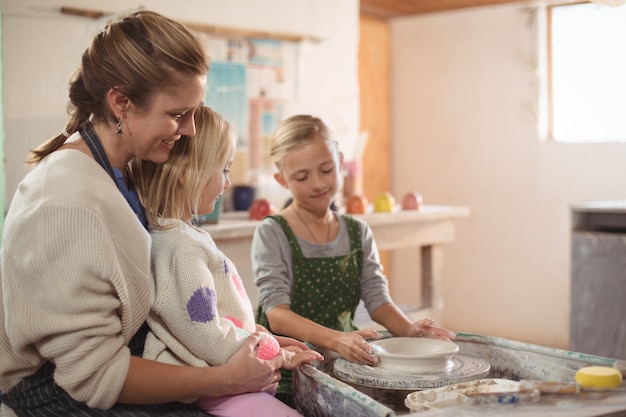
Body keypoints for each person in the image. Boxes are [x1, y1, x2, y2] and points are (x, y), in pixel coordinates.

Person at [0, 11, 285, 417]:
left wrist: (249, 339)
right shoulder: (66, 202)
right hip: (53, 392)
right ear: (121, 104)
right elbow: (92, 375)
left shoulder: (126, 171)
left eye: (194, 111)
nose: (188, 130)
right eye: (177, 114)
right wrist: (227, 378)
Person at [129, 105, 323, 417]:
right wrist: (277, 355)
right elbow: (207, 334)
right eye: (224, 170)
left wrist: (263, 335)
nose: (228, 183)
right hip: (213, 388)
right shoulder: (181, 247)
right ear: (185, 175)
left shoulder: (182, 237)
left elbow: (216, 318)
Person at [252, 114, 457, 404]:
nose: (317, 184)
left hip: (343, 364)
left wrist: (409, 330)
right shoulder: (272, 232)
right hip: (286, 369)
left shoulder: (357, 231)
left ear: (340, 161)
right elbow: (277, 315)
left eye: (326, 169)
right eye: (302, 177)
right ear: (281, 179)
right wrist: (336, 338)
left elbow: (377, 298)